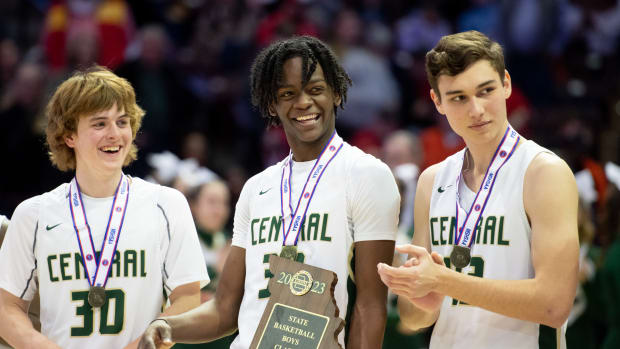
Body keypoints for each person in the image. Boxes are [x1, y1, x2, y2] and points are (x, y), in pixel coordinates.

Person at [138, 35, 400, 348]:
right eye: (288, 94)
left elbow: (370, 305)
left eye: (315, 89)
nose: (303, 102)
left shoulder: (367, 175)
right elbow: (224, 311)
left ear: (336, 93)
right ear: (272, 104)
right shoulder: (257, 188)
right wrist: (165, 324)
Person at [377, 30, 579, 348]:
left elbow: (553, 305)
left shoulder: (543, 173)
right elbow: (413, 318)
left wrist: (446, 281)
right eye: (459, 97)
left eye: (485, 91)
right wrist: (423, 297)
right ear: (437, 102)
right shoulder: (432, 181)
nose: (476, 109)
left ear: (507, 84)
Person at [0, 66, 209, 349]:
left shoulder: (167, 204)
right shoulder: (33, 214)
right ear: (69, 135)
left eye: (122, 122)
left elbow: (187, 297)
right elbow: (6, 306)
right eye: (99, 124)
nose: (115, 134)